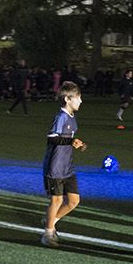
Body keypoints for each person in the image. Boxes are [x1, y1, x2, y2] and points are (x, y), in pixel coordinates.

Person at [41, 82, 87, 247]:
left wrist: (77, 143)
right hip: (55, 168)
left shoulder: (72, 117)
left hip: (67, 167)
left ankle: (50, 221)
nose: (80, 101)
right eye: (78, 98)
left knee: (74, 201)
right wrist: (70, 141)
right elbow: (52, 138)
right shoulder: (61, 117)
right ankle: (48, 234)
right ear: (67, 99)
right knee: (57, 200)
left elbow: (67, 140)